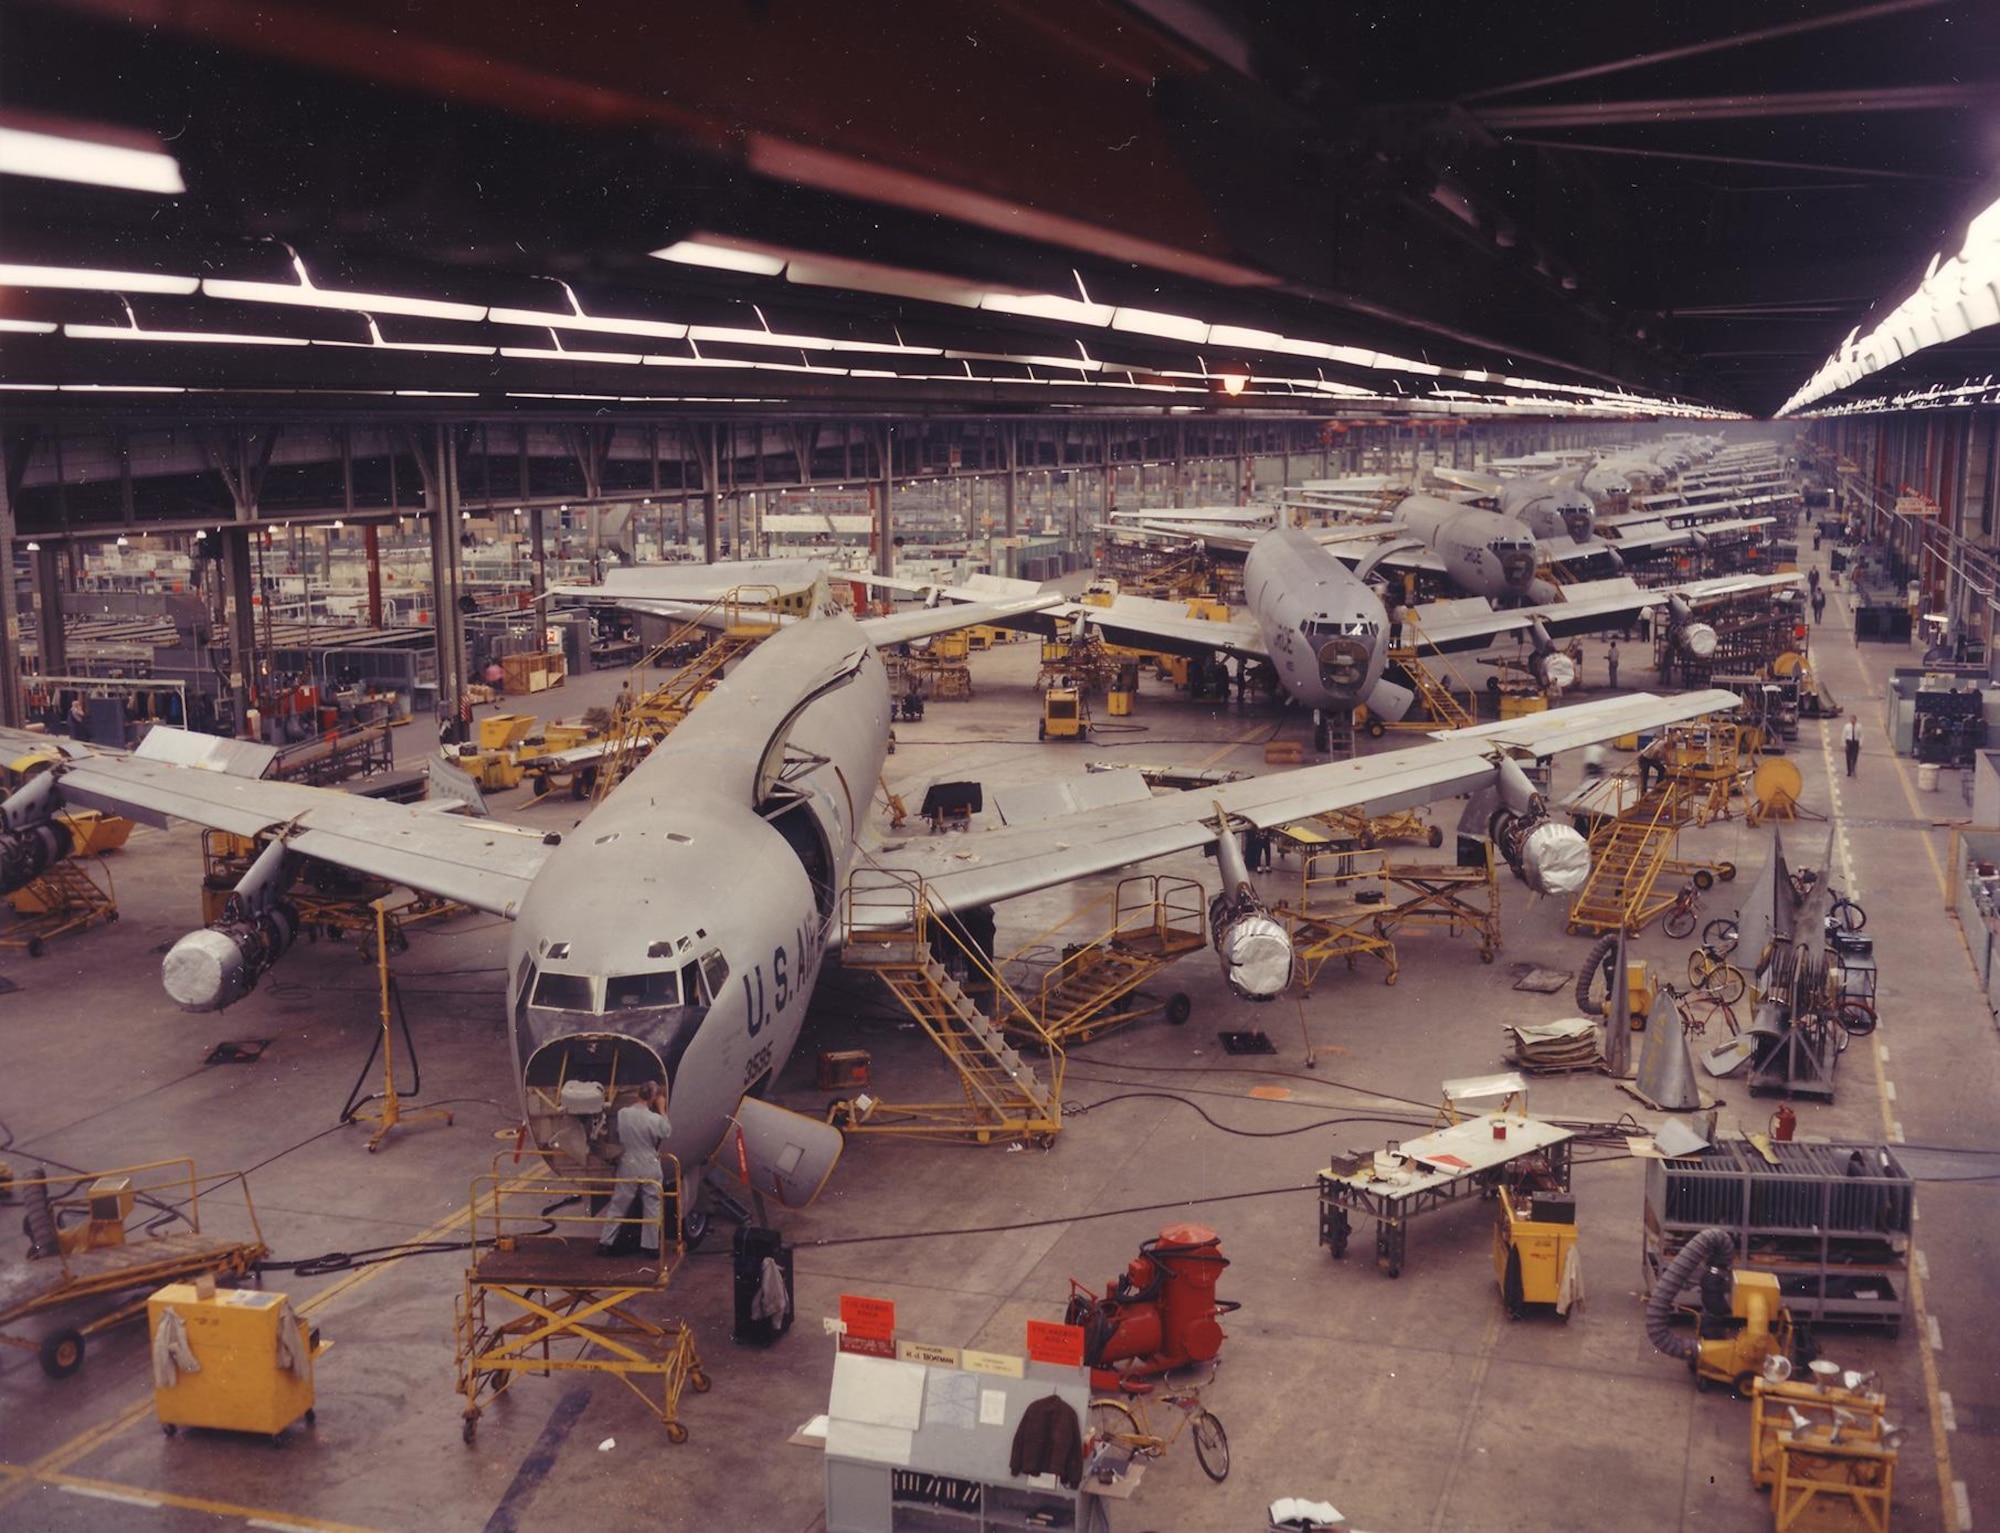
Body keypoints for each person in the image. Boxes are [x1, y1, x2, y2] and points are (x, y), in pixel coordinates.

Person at [597, 1081, 674, 1258]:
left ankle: (605, 1242)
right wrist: (662, 1110)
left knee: (618, 1204)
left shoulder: (623, 1114)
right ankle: (650, 1246)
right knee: (652, 1204)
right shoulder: (654, 1119)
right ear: (653, 1098)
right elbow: (666, 1132)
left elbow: (616, 1134)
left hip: (628, 1162)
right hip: (649, 1164)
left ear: (637, 1094)